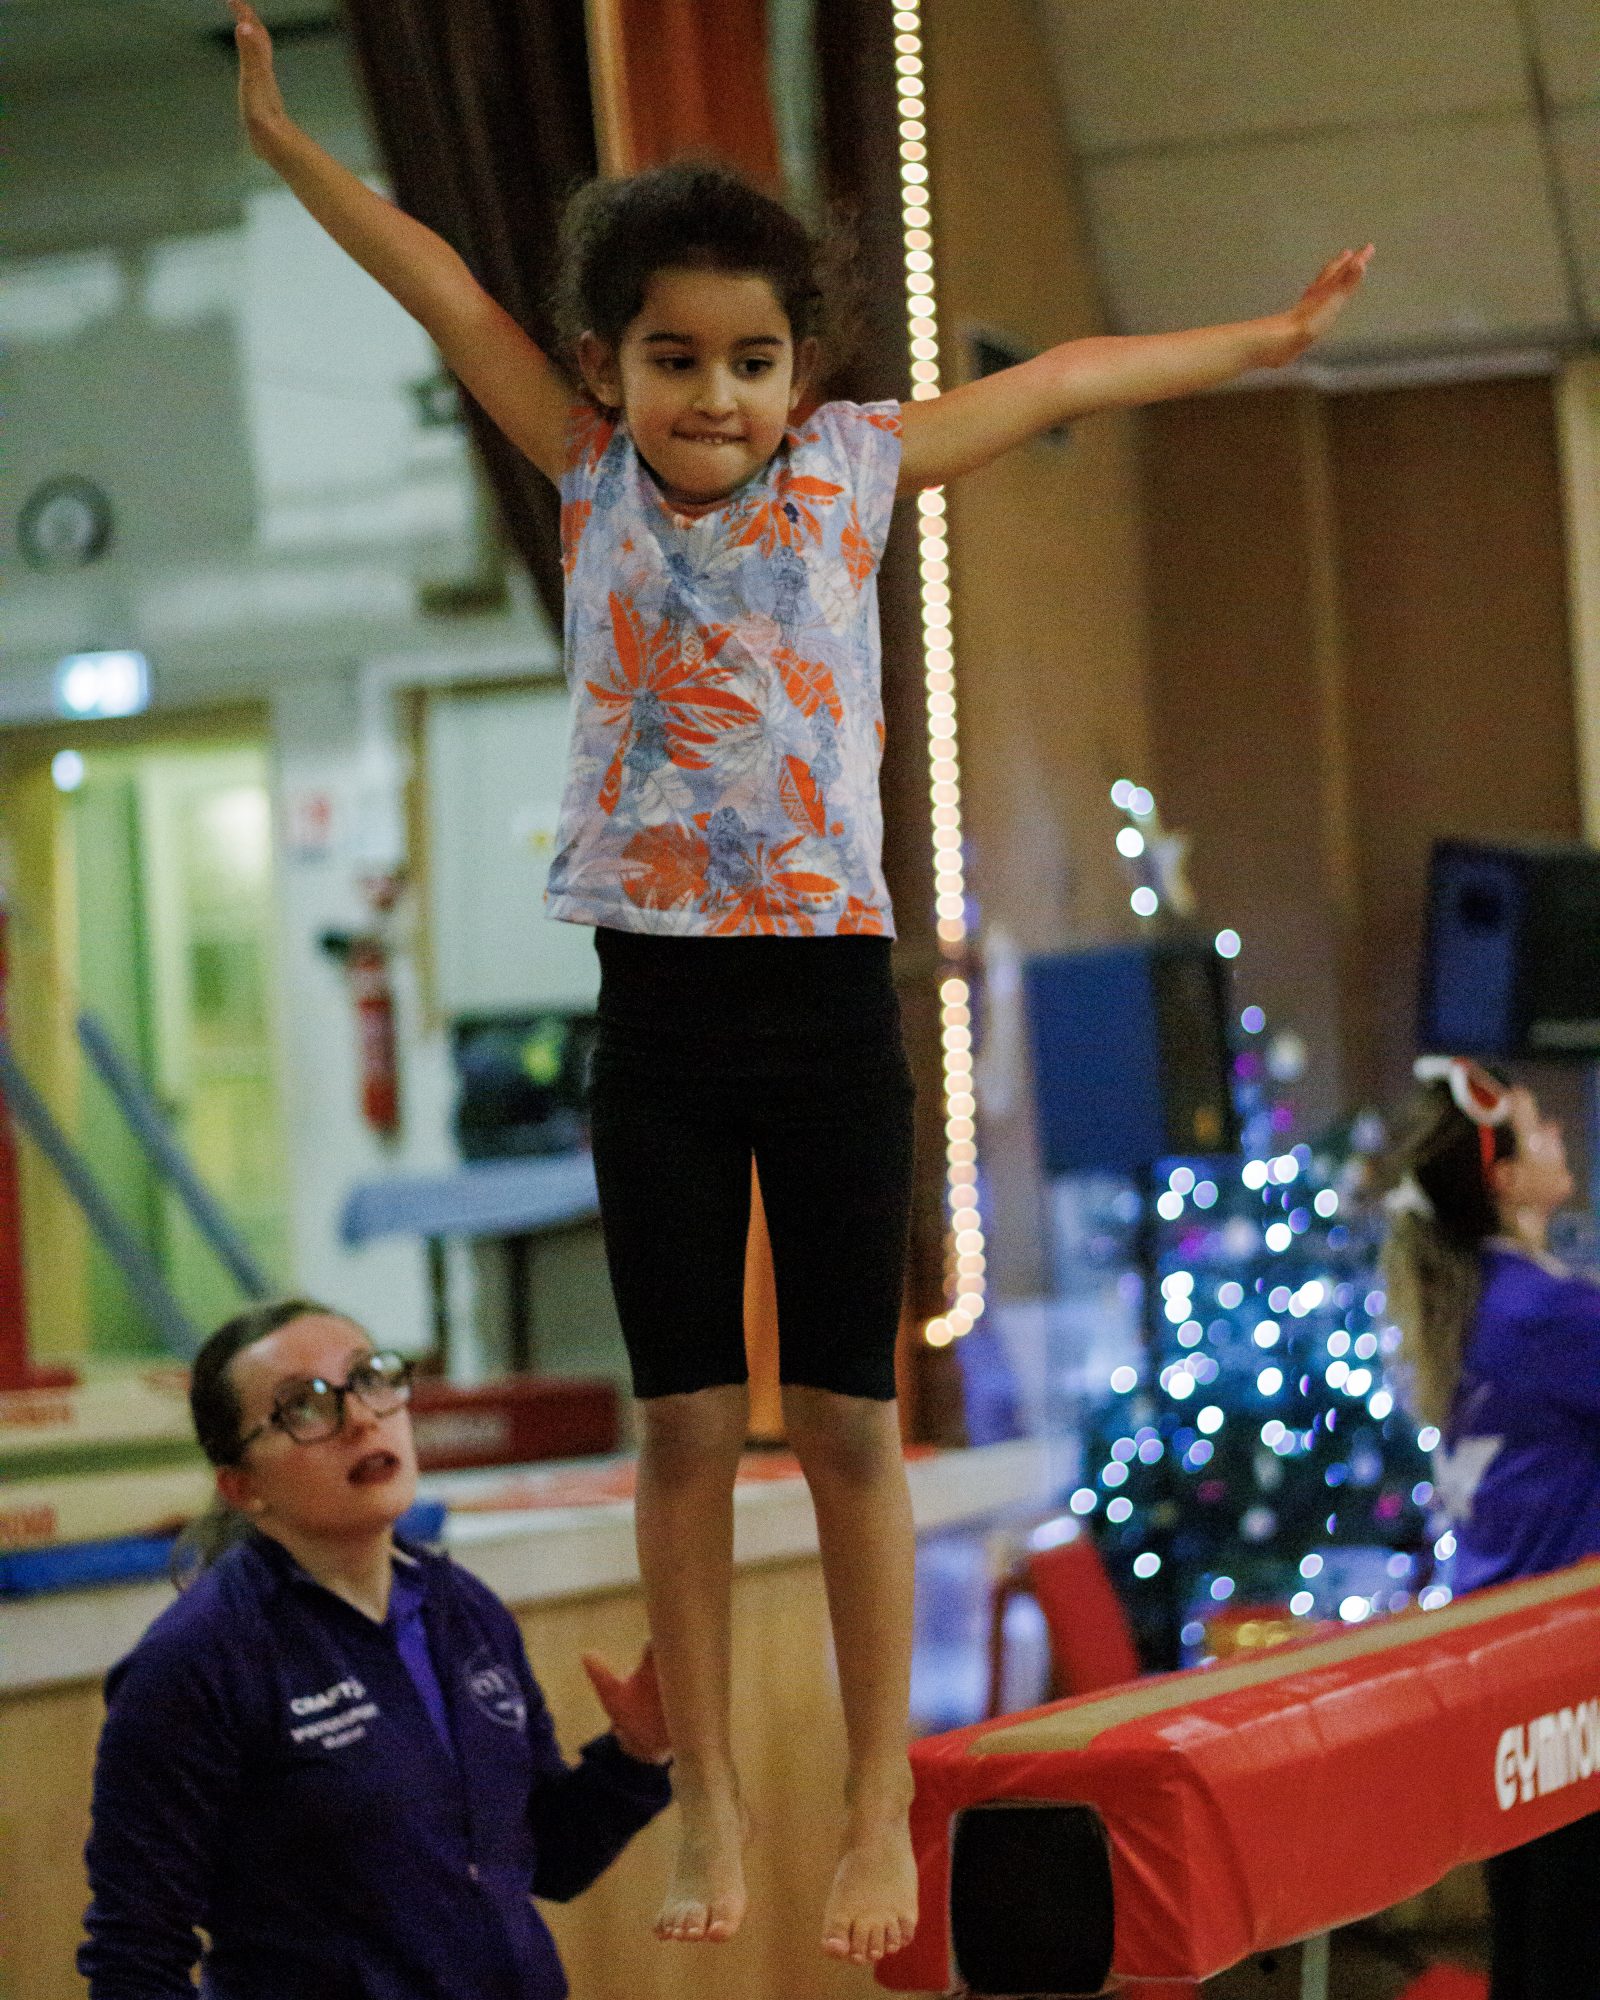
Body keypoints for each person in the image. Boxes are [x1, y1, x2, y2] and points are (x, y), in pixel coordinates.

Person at [227, 0, 1371, 1963]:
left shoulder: (852, 466)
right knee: (685, 1430)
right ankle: (710, 1801)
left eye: (752, 361)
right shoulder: (582, 465)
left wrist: (1256, 344)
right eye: (673, 359)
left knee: (846, 1428)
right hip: (660, 1013)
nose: (715, 397)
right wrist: (286, 142)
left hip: (832, 1007)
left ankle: (869, 1800)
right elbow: (442, 286)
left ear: (802, 370)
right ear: (610, 363)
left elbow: (1066, 372)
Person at [79, 1299, 672, 2000]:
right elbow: (134, 1958)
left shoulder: (464, 1610)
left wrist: (636, 1754)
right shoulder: (196, 1661)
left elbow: (546, 1861)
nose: (361, 1418)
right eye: (304, 1406)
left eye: (369, 1379)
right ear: (243, 1487)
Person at [1381, 1055, 1600, 2000]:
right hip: (1565, 1678)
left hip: (1501, 1670)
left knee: (1535, 1941)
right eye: (1536, 1125)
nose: (1557, 1134)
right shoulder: (1548, 1314)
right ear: (1504, 1178)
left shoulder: (1480, 1297)